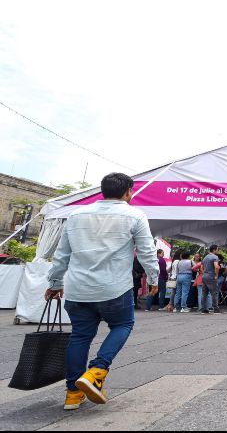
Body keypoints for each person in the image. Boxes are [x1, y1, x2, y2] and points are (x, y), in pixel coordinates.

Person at [45, 173, 159, 410]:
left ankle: (72, 395)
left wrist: (55, 283)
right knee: (122, 325)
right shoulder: (135, 215)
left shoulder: (76, 215)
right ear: (128, 192)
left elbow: (62, 254)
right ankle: (96, 371)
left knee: (79, 336)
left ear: (102, 191)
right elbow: (147, 251)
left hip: (77, 289)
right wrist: (153, 277)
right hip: (114, 287)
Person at [199, 245, 222, 315]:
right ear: (214, 250)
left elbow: (201, 268)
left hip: (204, 276)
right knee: (214, 293)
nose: (218, 251)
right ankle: (216, 309)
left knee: (204, 293)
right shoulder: (215, 257)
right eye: (217, 249)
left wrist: (204, 273)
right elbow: (217, 267)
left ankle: (204, 309)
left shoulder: (205, 257)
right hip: (211, 276)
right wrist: (216, 275)